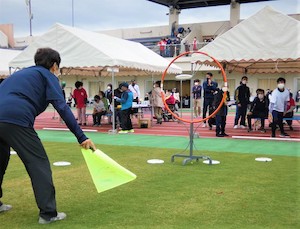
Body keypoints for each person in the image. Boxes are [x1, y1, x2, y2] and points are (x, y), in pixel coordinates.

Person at [0, 48, 95, 223]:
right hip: (17, 119)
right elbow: (62, 107)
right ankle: (48, 214)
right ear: (54, 65)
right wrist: (81, 137)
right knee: (38, 163)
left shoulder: (19, 75)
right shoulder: (47, 75)